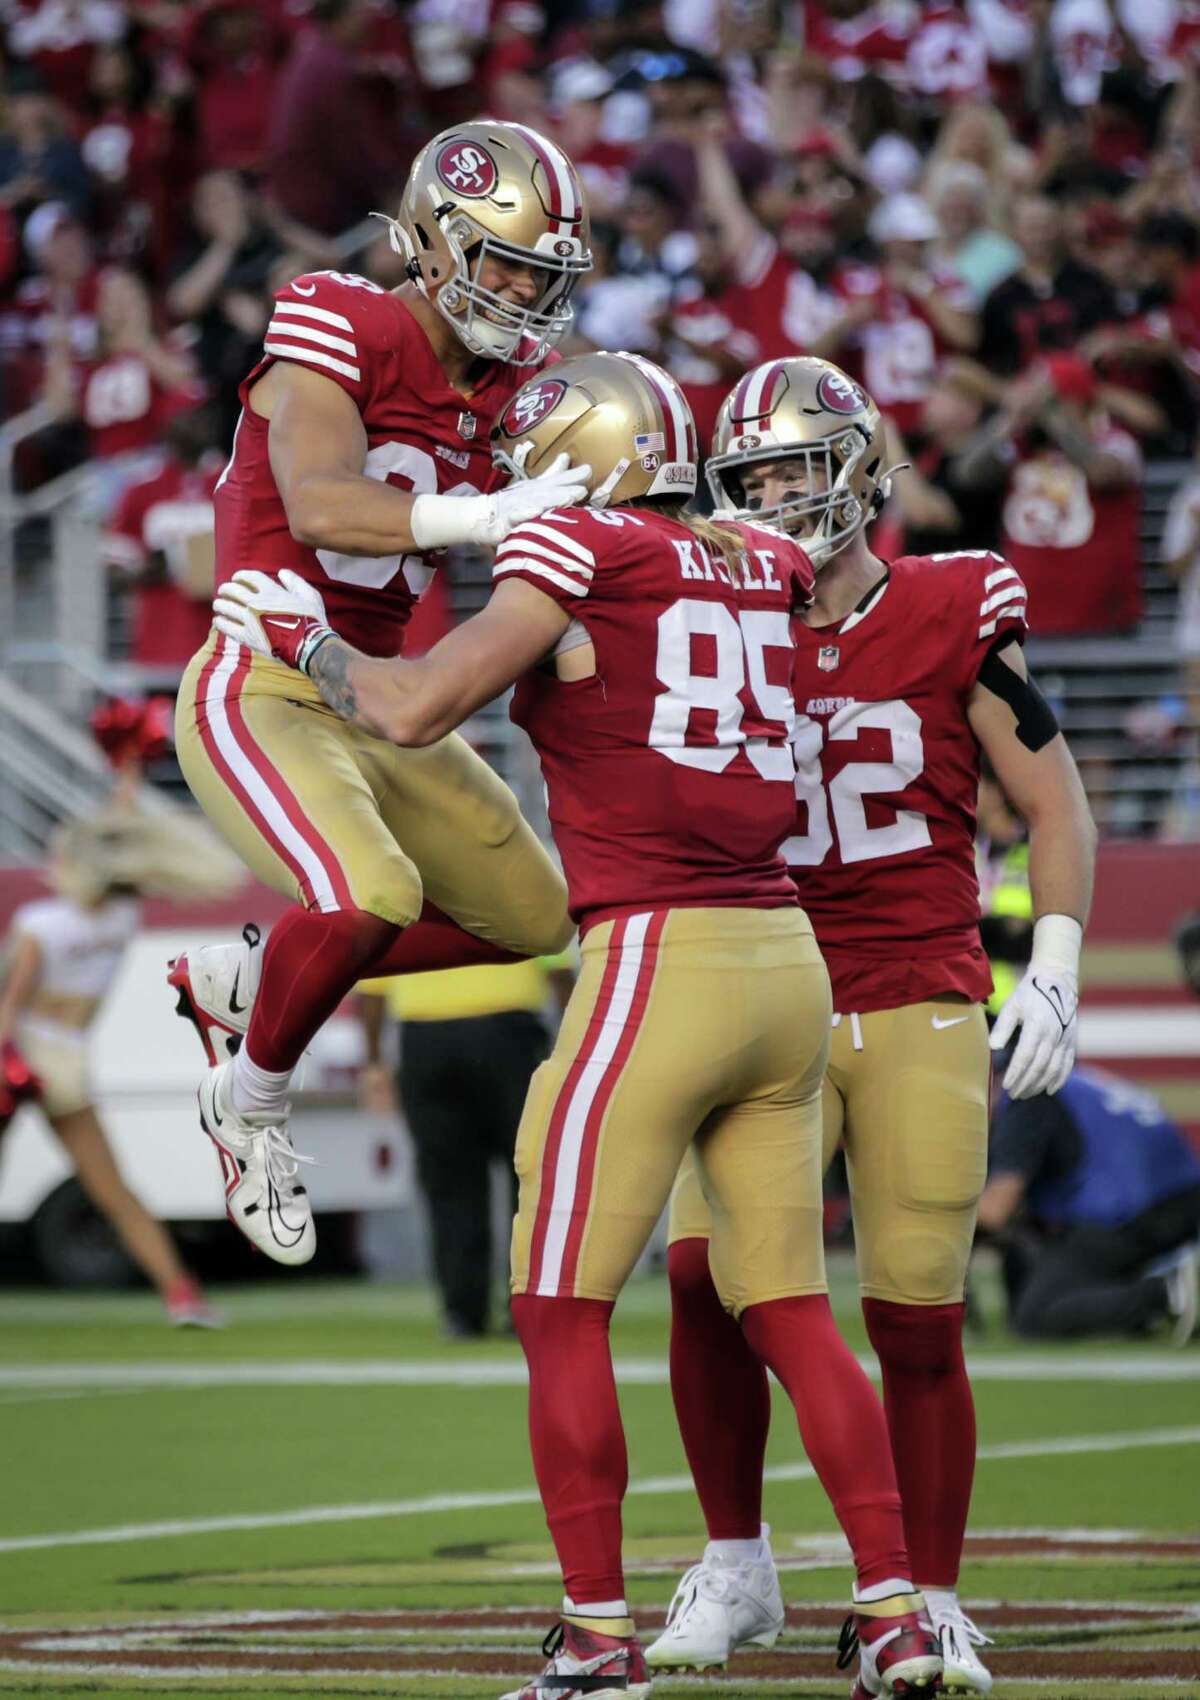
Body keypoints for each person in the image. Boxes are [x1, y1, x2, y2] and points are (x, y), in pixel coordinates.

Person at [212, 349, 945, 1700]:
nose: (510, 491)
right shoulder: (763, 563)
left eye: (532, 465)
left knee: (556, 1307)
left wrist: (300, 637)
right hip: (787, 961)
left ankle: (599, 1637)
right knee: (790, 1307)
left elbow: (418, 704)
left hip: (659, 957)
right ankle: (901, 1614)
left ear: (583, 462)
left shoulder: (586, 553)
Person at [646, 356, 1096, 1698]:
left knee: (915, 1311)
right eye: (759, 478)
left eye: (801, 468)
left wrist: (1057, 961)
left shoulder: (957, 602)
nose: (782, 497)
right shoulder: (709, 613)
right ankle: (737, 1562)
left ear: (863, 467)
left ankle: (932, 1597)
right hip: (752, 986)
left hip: (911, 984)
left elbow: (1056, 805)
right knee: (695, 1281)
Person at [167, 119, 594, 1270]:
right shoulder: (337, 311)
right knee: (371, 891)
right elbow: (315, 501)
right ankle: (248, 1101)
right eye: (503, 260)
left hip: (375, 692)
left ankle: (256, 979)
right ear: (432, 240)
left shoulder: (517, 389)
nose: (519, 290)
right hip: (261, 668)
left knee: (536, 917)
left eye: (538, 271)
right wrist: (476, 516)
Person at [0, 778, 241, 1327]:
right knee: (112, 1188)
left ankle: (183, 1294)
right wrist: (126, 779)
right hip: (70, 1062)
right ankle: (183, 1296)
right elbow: (116, 842)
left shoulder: (42, 925)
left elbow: (10, 1006)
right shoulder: (120, 921)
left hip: (22, 1054)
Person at [358, 949, 574, 1339]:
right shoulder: (524, 885)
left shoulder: (408, 889)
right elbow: (559, 971)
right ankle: (528, 1305)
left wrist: (374, 1060)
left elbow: (372, 988)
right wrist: (576, 1047)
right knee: (529, 1177)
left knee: (449, 1183)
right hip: (510, 1035)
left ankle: (462, 1313)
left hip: (426, 1039)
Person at [980, 1064, 1200, 1345]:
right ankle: (1144, 1303)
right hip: (1177, 1192)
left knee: (1037, 1314)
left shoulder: (1025, 1094)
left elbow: (995, 1211)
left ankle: (1168, 1295)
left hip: (1131, 1206)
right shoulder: (1066, 1080)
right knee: (1031, 1250)